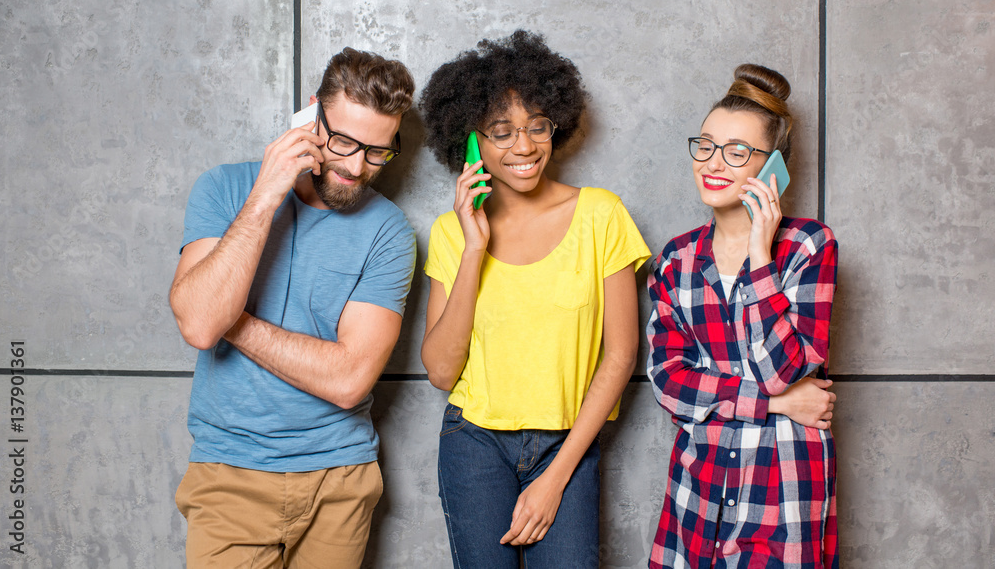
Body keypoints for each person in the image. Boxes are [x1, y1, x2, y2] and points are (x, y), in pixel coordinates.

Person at [169, 47, 416, 568]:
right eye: (344, 140)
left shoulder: (390, 231)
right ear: (310, 114)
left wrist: (230, 321)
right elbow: (197, 324)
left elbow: (350, 380)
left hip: (340, 478)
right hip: (230, 472)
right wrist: (265, 195)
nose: (355, 165)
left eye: (377, 151)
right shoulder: (225, 188)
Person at [419, 30, 651, 568]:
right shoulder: (452, 234)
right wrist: (475, 246)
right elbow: (440, 371)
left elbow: (619, 357)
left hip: (567, 441)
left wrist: (557, 475)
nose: (524, 147)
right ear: (471, 140)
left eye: (536, 127)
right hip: (473, 444)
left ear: (557, 126)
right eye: (501, 133)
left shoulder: (601, 216)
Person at [646, 64, 839, 568]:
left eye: (737, 152)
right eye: (705, 145)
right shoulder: (675, 260)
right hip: (697, 491)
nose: (712, 162)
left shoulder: (807, 246)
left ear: (772, 167)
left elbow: (783, 369)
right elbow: (669, 382)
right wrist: (776, 406)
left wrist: (759, 253)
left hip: (782, 492)